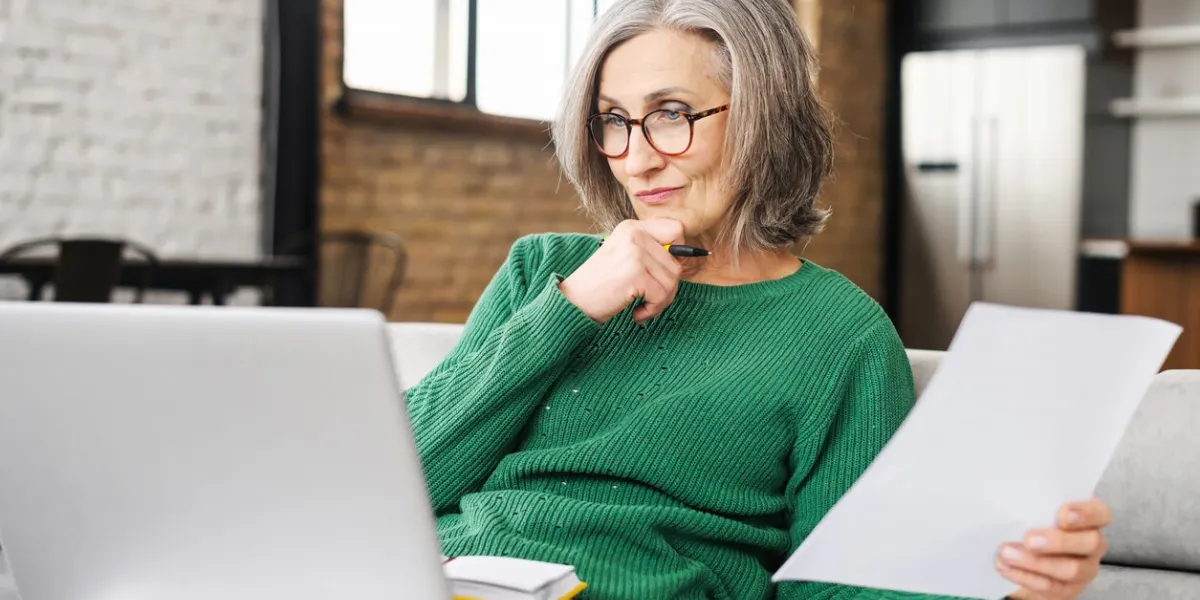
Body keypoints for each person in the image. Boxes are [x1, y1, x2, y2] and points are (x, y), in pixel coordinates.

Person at [404, 0, 1112, 598]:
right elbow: (395, 481)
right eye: (613, 121)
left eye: (671, 114)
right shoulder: (547, 272)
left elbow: (841, 587)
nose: (637, 157)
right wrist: (571, 308)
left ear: (761, 119)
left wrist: (1006, 582)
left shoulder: (839, 336)